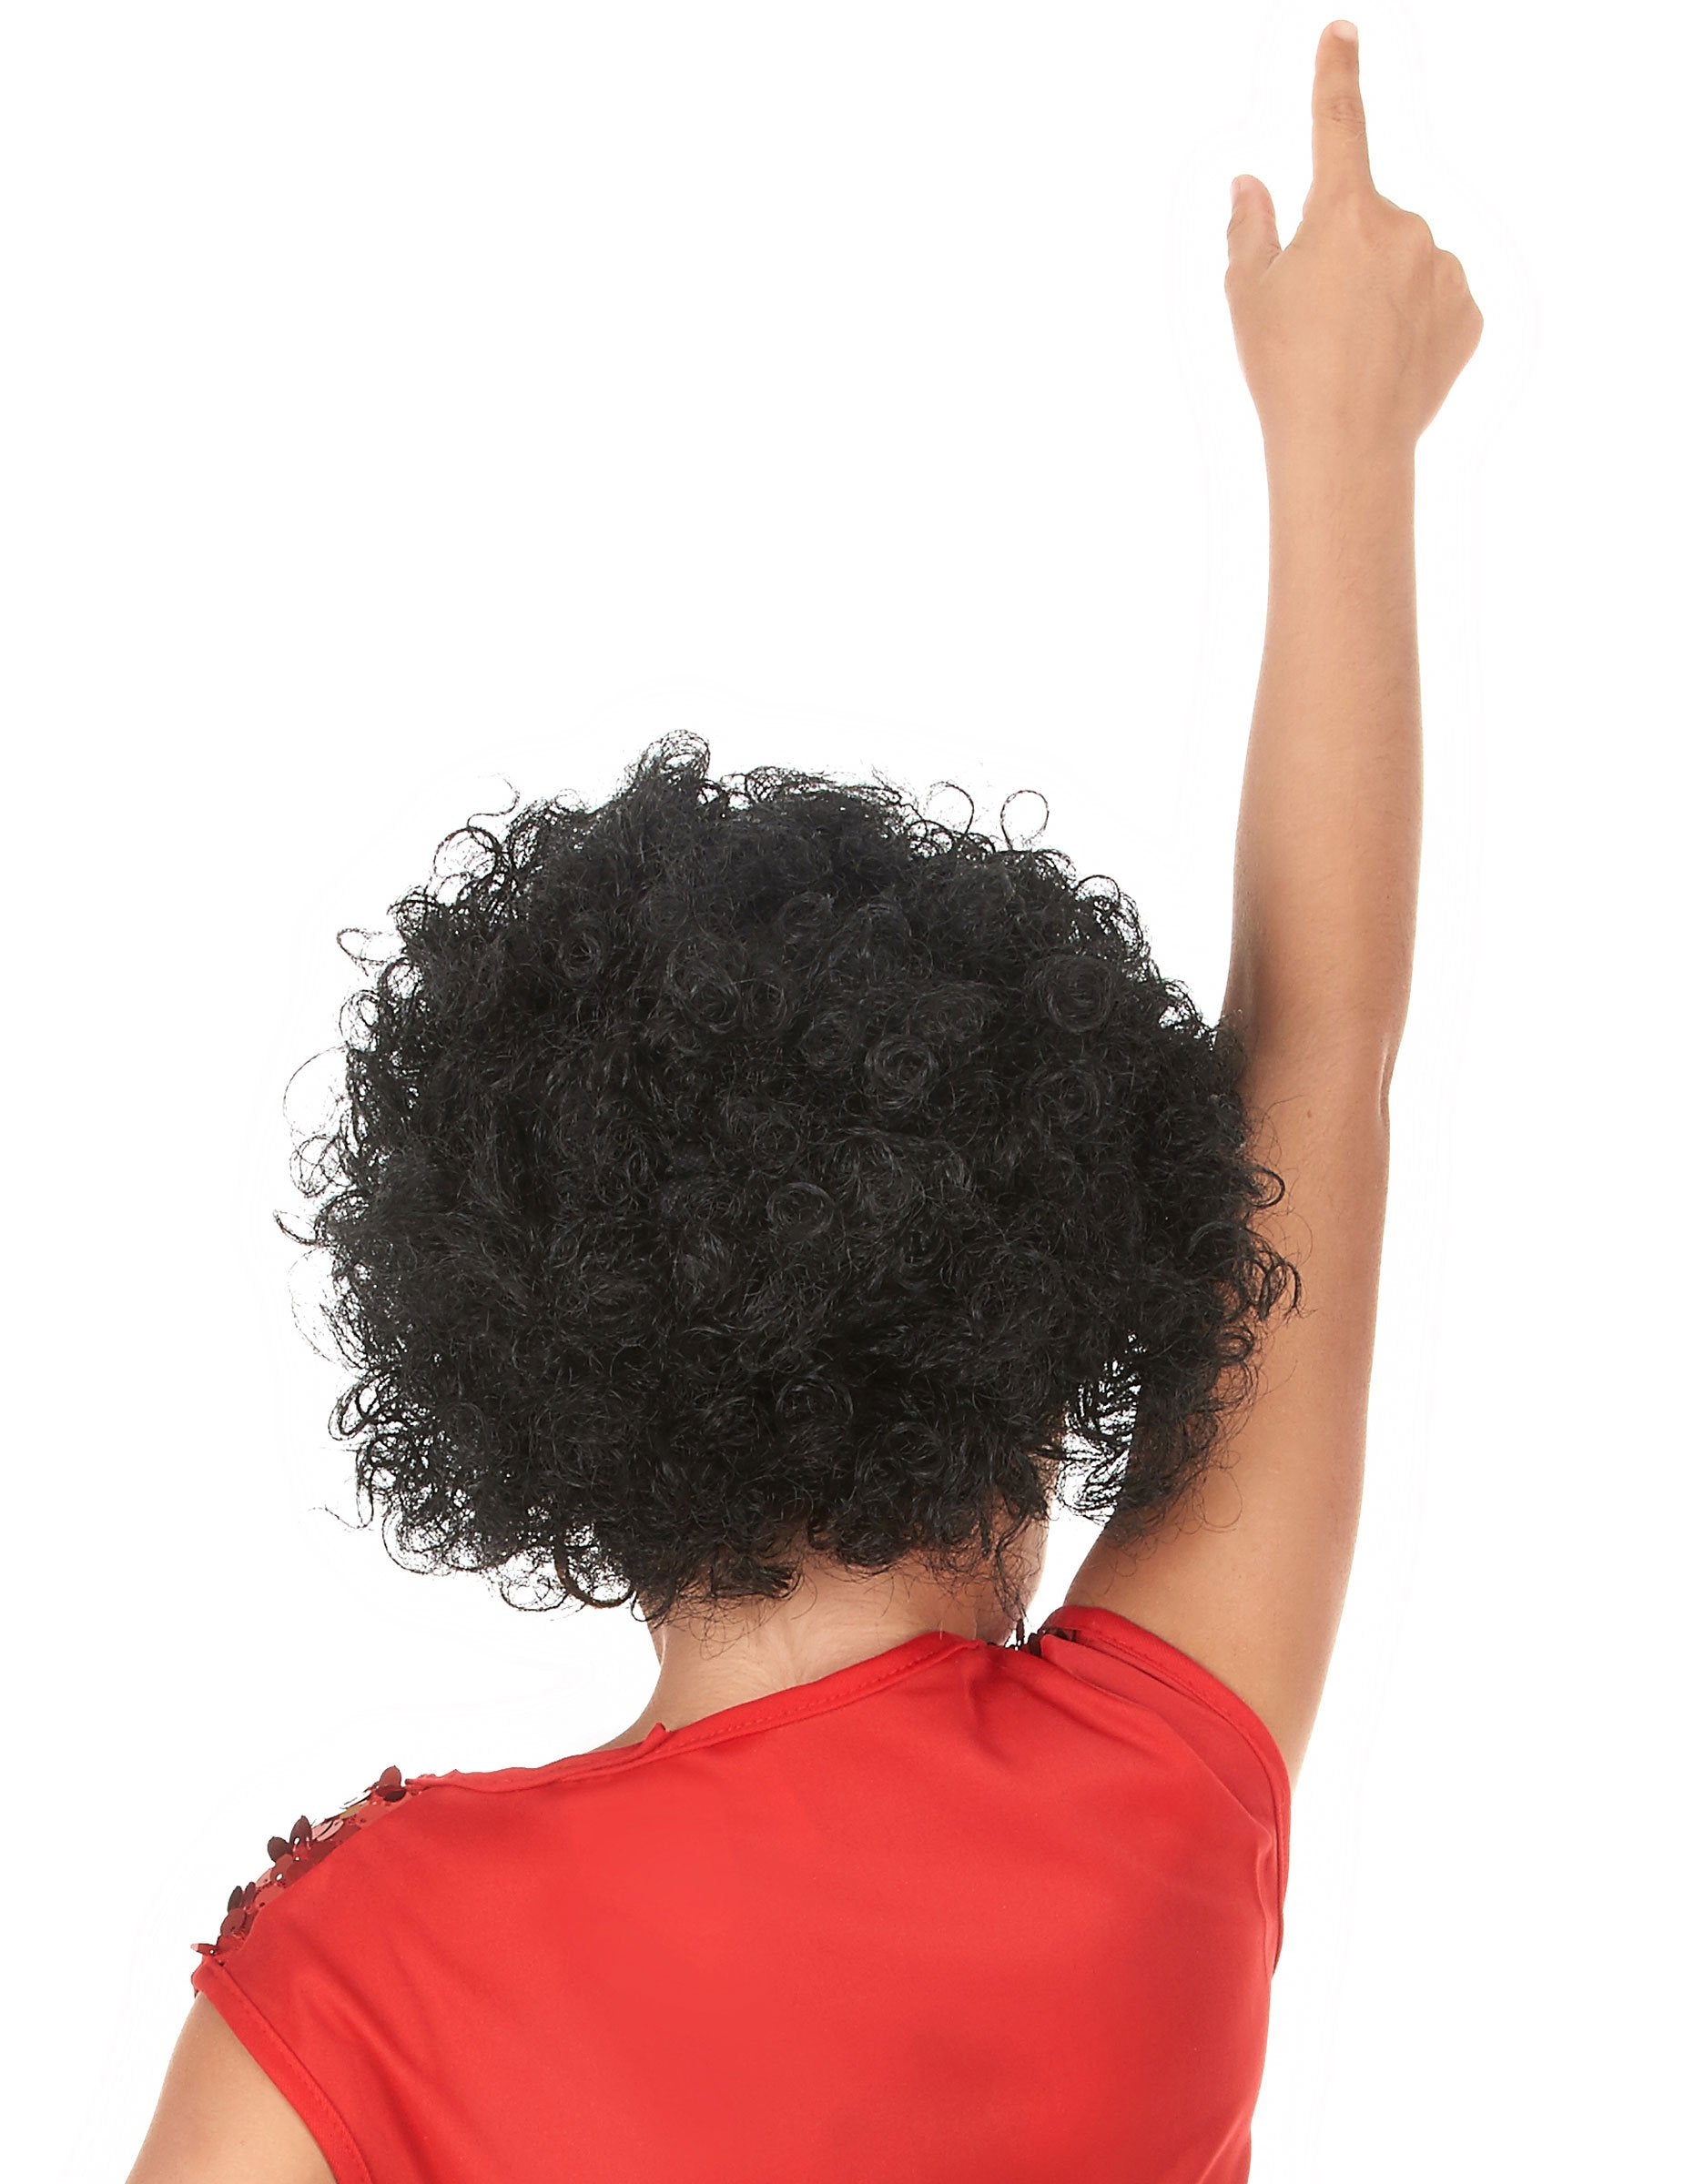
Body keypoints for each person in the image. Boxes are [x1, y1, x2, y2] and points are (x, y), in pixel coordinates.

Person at [127, 22, 1481, 2182]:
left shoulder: (359, 1978)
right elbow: (1320, 1045)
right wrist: (1345, 441)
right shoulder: (1147, 1797)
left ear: (540, 1391)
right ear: (1045, 1320)